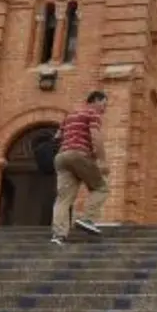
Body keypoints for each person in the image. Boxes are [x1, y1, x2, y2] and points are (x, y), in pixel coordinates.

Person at [51, 90, 110, 245]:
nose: (104, 109)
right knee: (101, 187)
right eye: (104, 104)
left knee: (63, 198)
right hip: (79, 154)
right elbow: (96, 137)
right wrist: (102, 161)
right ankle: (87, 219)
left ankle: (58, 235)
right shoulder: (92, 113)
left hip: (61, 157)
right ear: (95, 100)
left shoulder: (69, 116)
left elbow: (57, 137)